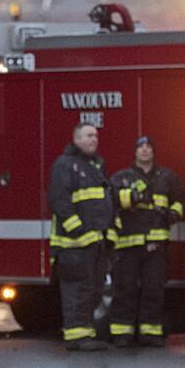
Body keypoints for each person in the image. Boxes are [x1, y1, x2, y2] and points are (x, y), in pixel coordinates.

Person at [108, 135, 185, 347]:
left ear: (154, 152)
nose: (144, 150)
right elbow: (111, 199)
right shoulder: (122, 177)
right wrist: (132, 197)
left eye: (148, 147)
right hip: (128, 244)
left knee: (154, 289)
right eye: (140, 147)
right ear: (134, 152)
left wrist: (173, 213)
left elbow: (181, 200)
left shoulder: (167, 177)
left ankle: (150, 333)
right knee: (125, 289)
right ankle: (122, 333)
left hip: (157, 244)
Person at [49, 123, 115, 351]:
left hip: (94, 243)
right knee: (77, 290)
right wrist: (77, 229)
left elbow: (103, 202)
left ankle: (85, 333)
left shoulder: (94, 165)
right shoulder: (65, 165)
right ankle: (76, 336)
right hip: (72, 245)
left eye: (95, 135)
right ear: (76, 139)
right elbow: (59, 200)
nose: (93, 139)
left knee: (92, 288)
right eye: (88, 135)